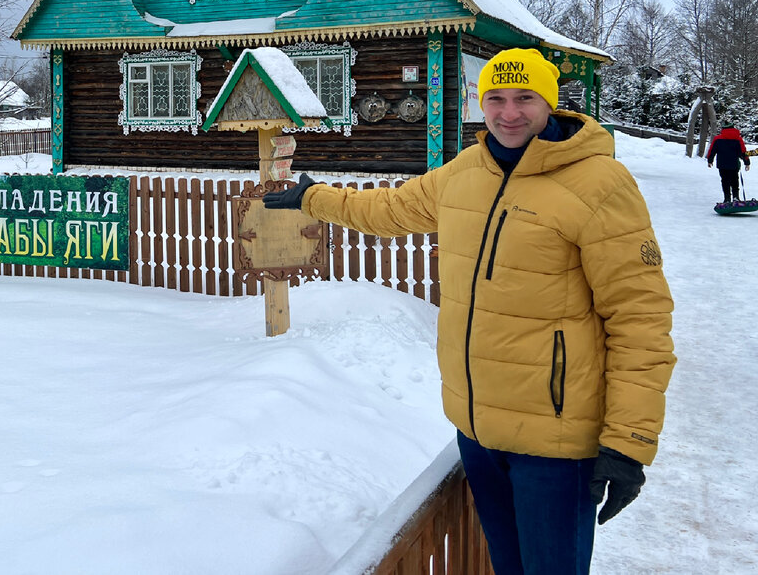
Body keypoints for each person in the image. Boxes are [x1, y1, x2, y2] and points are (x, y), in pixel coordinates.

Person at [263, 47, 675, 575]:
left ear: (550, 103)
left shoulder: (599, 184)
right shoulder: (466, 171)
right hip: (477, 431)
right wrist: (314, 198)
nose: (508, 113)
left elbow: (640, 318)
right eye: (495, 99)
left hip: (555, 440)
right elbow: (391, 209)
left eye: (525, 98)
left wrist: (629, 440)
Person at [706, 122, 750, 205]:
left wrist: (710, 160)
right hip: (734, 164)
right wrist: (747, 162)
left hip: (722, 164)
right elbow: (743, 152)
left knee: (725, 181)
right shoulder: (738, 139)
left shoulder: (717, 139)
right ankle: (736, 197)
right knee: (734, 181)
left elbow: (712, 150)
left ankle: (727, 198)